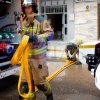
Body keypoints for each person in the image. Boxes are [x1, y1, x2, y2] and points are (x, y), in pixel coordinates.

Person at [18, 0, 54, 100]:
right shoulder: (23, 21)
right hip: (26, 58)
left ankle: (50, 95)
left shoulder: (41, 20)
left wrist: (35, 38)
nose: (27, 9)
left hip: (38, 58)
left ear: (33, 8)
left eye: (29, 7)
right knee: (26, 86)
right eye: (25, 7)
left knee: (40, 85)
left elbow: (50, 34)